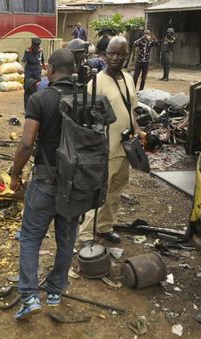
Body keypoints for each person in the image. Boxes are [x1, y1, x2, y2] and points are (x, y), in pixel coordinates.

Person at [10, 49, 79, 320]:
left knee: (29, 238)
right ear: (73, 70)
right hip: (76, 183)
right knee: (66, 238)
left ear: (50, 69)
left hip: (46, 178)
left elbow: (27, 143)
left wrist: (15, 174)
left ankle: (29, 296)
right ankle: (54, 291)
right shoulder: (88, 98)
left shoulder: (40, 99)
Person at [79, 36, 145, 244]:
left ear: (127, 56)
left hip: (125, 147)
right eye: (112, 53)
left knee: (116, 189)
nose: (116, 58)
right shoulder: (95, 83)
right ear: (104, 55)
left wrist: (138, 131)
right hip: (104, 149)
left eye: (120, 54)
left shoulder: (128, 78)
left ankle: (105, 226)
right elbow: (86, 119)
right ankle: (86, 235)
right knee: (99, 192)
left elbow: (131, 109)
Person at [22, 38, 46, 108]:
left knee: (38, 88)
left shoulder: (40, 51)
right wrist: (22, 68)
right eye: (34, 46)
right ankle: (27, 106)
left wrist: (45, 69)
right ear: (32, 45)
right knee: (28, 89)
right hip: (29, 71)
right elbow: (24, 61)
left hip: (37, 71)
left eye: (37, 46)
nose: (35, 47)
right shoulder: (27, 51)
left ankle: (37, 106)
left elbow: (42, 60)